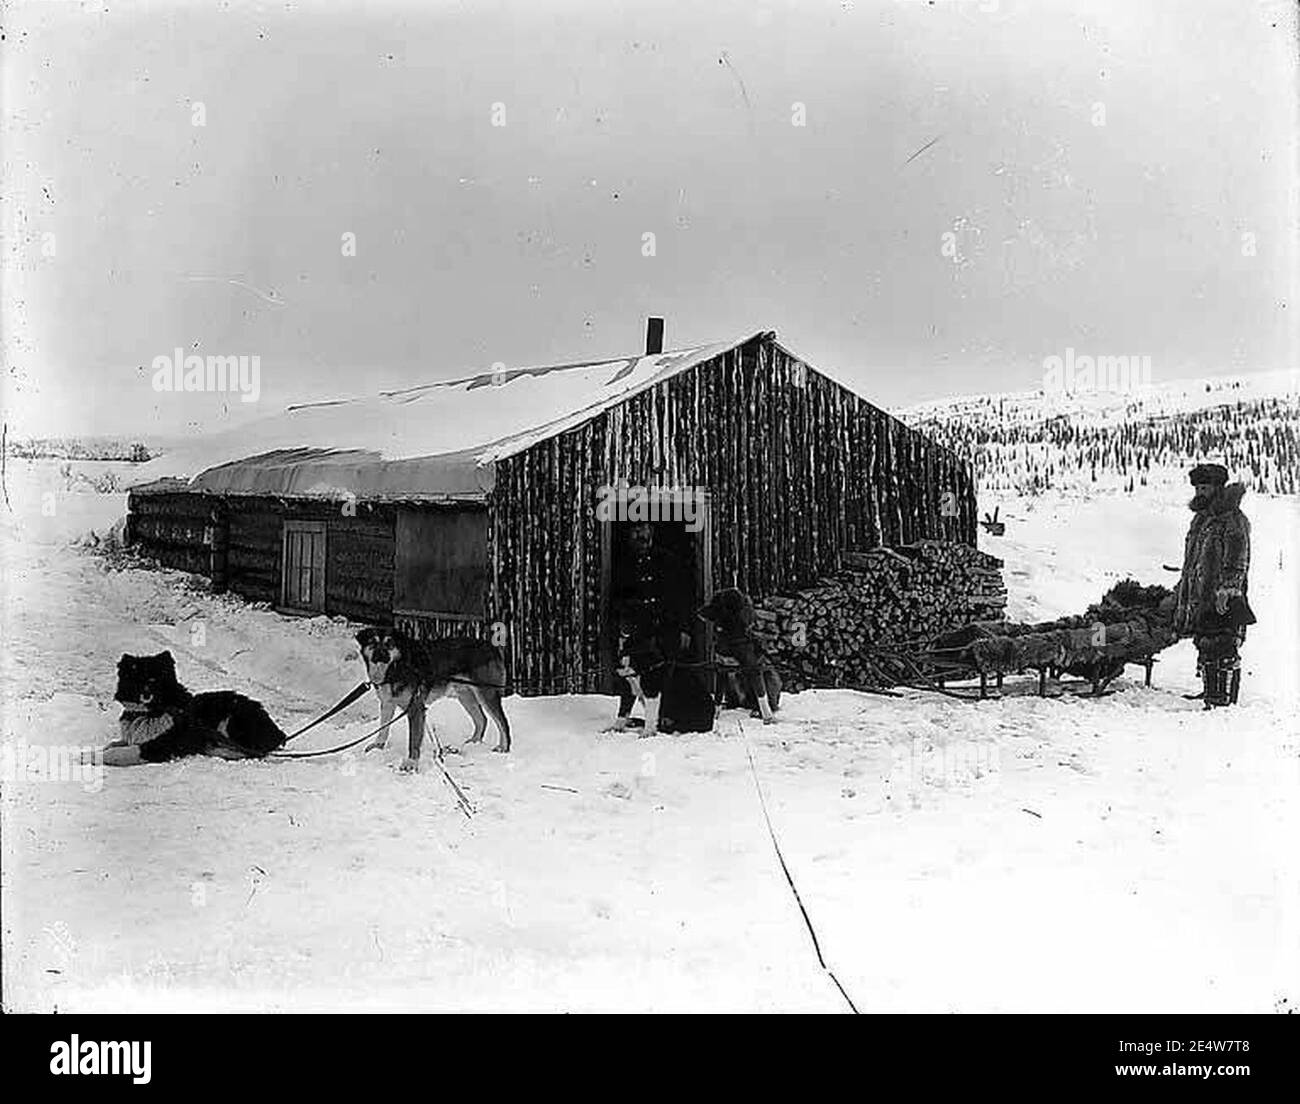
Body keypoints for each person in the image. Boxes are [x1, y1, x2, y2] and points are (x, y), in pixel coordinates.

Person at [1173, 463, 1255, 708]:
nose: (1200, 492)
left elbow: (1237, 560)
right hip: (1202, 594)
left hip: (1223, 595)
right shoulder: (1201, 520)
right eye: (1197, 487)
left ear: (1218, 488)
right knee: (1206, 641)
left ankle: (1224, 697)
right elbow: (1193, 561)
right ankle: (1210, 692)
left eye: (1205, 487)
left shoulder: (1233, 519)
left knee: (1224, 643)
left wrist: (1227, 591)